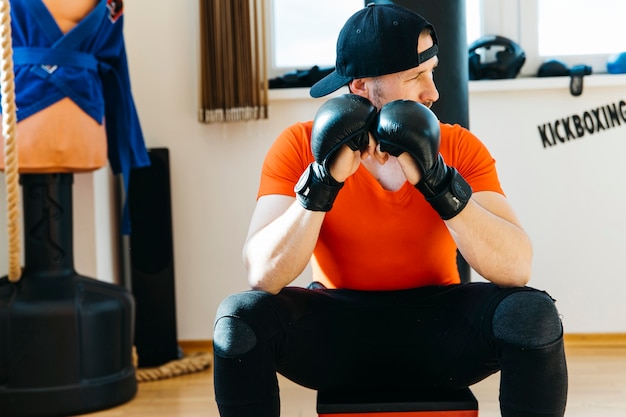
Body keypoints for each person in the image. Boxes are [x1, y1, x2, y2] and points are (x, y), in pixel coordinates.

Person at [213, 3, 568, 417]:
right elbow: (262, 273)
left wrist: (439, 183)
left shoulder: (456, 146)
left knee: (533, 314)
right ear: (362, 86)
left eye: (432, 72)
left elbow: (516, 268)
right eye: (416, 76)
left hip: (439, 330)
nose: (433, 92)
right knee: (239, 320)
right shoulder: (300, 146)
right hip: (335, 333)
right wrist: (322, 183)